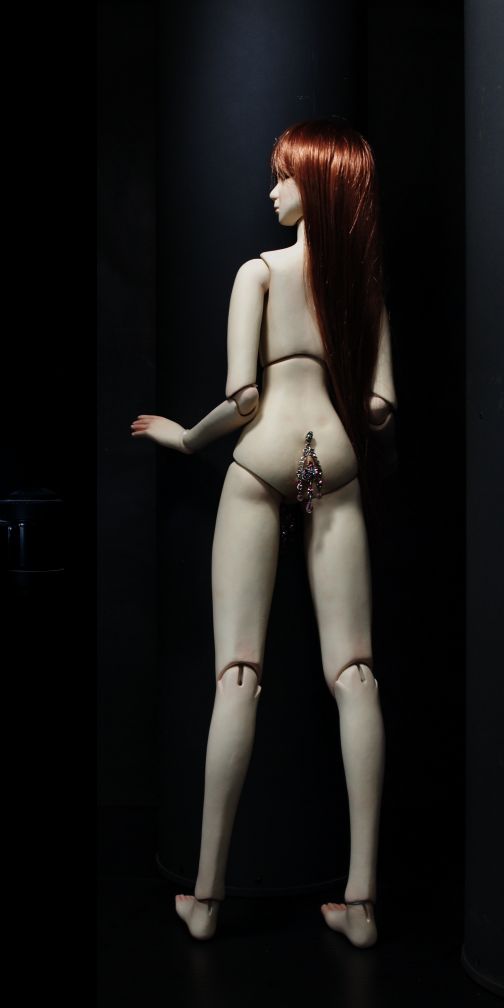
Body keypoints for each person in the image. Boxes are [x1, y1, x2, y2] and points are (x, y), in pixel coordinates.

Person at [130, 117, 397, 946]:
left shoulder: (260, 272)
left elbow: (243, 400)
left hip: (264, 460)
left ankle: (207, 899)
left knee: (238, 674)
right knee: (355, 674)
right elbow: (380, 409)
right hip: (329, 463)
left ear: (313, 185)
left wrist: (186, 438)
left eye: (284, 175)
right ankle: (361, 904)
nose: (273, 189)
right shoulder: (360, 287)